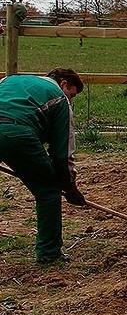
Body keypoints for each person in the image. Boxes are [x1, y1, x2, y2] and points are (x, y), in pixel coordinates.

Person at [0, 69, 86, 264]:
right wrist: (68, 186)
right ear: (63, 84)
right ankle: (49, 253)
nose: (70, 101)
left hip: (12, 129)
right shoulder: (59, 98)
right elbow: (62, 153)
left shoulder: (9, 80)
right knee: (48, 191)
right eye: (71, 95)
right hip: (17, 132)